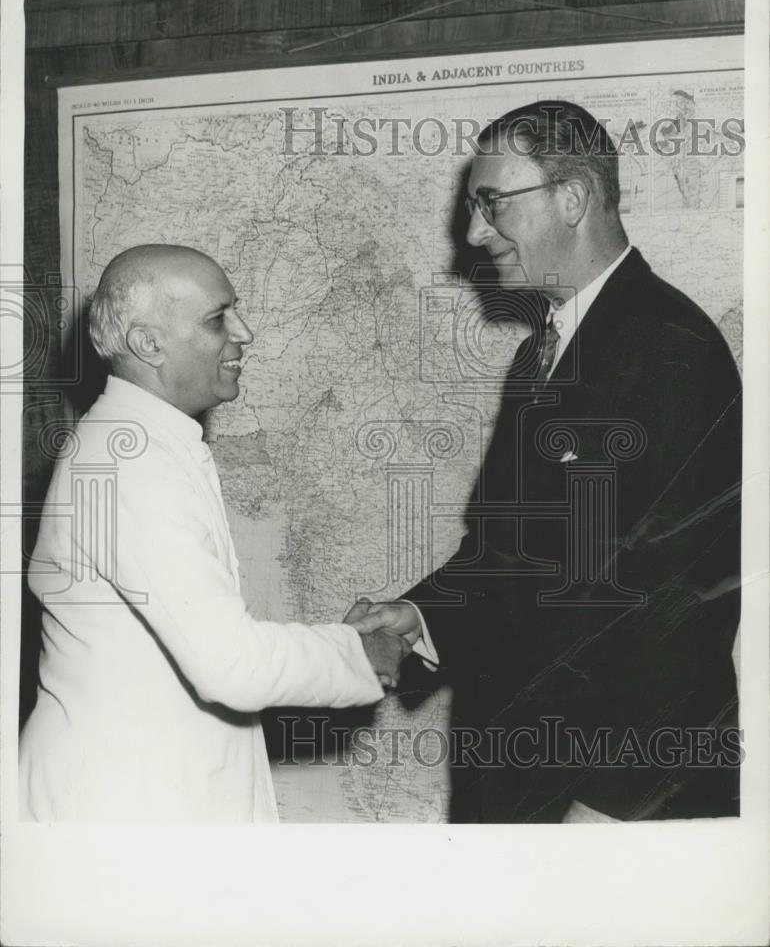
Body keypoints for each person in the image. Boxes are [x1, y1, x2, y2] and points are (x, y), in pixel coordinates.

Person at [348, 100, 742, 823]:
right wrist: (420, 617)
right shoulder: (542, 355)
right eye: (473, 206)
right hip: (528, 784)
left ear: (572, 198)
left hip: (610, 803)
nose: (473, 233)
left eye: (493, 202)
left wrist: (614, 805)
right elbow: (514, 557)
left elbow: (683, 604)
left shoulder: (669, 348)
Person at [19, 244, 407, 822]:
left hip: (143, 796)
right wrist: (355, 652)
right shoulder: (134, 462)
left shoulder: (146, 443)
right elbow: (231, 664)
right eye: (217, 318)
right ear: (149, 344)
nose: (243, 331)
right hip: (119, 814)